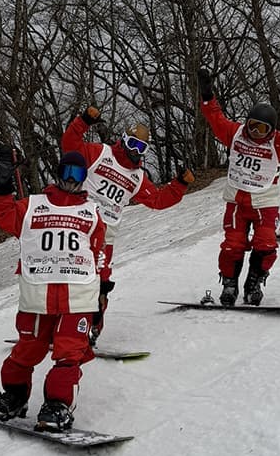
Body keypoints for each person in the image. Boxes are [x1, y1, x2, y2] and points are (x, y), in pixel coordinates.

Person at [0, 149, 106, 431]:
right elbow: (2, 214)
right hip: (37, 295)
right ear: (58, 172)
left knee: (69, 353)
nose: (71, 180)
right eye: (66, 172)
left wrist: (99, 300)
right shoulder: (32, 206)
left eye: (77, 174)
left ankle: (58, 404)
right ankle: (15, 396)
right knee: (26, 351)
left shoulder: (91, 212)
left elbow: (96, 253)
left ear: (84, 177)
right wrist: (2, 184)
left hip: (77, 297)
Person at [61, 108, 194, 340]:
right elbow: (70, 147)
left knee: (101, 282)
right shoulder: (100, 153)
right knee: (68, 275)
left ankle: (91, 327)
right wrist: (84, 121)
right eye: (132, 144)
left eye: (141, 148)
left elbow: (157, 200)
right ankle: (59, 324)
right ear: (123, 140)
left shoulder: (137, 177)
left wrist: (179, 184)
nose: (135, 151)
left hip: (105, 236)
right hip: (79, 226)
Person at [197, 68, 280, 305]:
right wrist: (207, 96)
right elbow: (216, 118)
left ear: (271, 130)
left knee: (266, 244)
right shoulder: (235, 133)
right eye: (253, 126)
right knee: (232, 246)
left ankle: (254, 283)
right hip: (237, 201)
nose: (256, 133)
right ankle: (229, 285)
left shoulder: (277, 143)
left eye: (262, 129)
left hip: (265, 202)